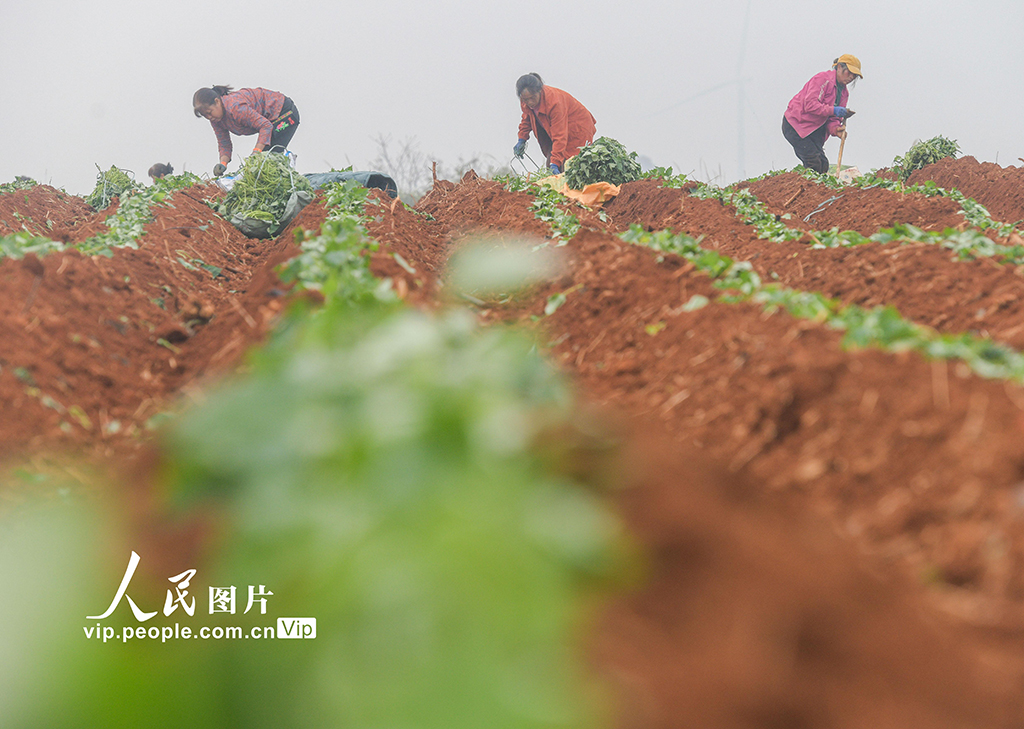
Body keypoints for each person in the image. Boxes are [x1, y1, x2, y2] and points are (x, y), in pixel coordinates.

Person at [193, 86, 300, 177]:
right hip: (271, 122)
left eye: (210, 112)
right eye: (205, 116)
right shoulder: (216, 120)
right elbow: (224, 143)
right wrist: (223, 163)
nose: (209, 117)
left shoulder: (235, 108)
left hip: (285, 114)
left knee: (266, 161)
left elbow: (266, 126)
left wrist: (256, 152)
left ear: (217, 101)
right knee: (261, 162)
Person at [782, 55, 862, 174]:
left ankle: (816, 189)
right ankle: (808, 189)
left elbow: (834, 119)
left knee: (823, 165)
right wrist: (833, 110)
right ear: (839, 67)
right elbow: (810, 105)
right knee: (814, 163)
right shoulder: (823, 79)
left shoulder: (844, 93)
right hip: (797, 124)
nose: (851, 77)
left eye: (854, 75)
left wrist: (836, 129)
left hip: (816, 128)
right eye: (849, 73)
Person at [512, 73, 596, 175]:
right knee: (552, 164)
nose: (530, 102)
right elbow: (526, 118)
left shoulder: (554, 102)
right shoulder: (525, 100)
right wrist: (522, 139)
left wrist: (555, 164)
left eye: (532, 98)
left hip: (577, 129)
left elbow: (560, 135)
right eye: (526, 99)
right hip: (555, 130)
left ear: (539, 91)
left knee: (570, 165)